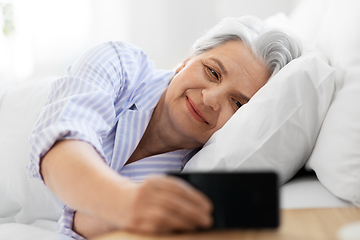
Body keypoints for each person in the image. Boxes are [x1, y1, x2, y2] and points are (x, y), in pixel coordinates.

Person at [28, 15, 301, 239]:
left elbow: (80, 221)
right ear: (186, 60)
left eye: (238, 104)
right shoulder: (120, 63)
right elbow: (60, 145)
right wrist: (127, 203)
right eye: (213, 72)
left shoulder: (196, 170)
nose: (210, 99)